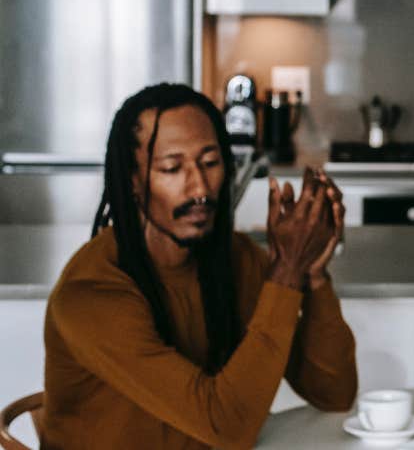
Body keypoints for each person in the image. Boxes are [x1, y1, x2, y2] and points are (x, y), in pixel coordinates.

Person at [41, 84, 358, 449]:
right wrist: (286, 272)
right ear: (132, 181)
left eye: (210, 163)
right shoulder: (92, 295)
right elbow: (227, 428)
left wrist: (312, 276)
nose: (200, 188)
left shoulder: (235, 259)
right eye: (172, 168)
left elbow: (334, 394)